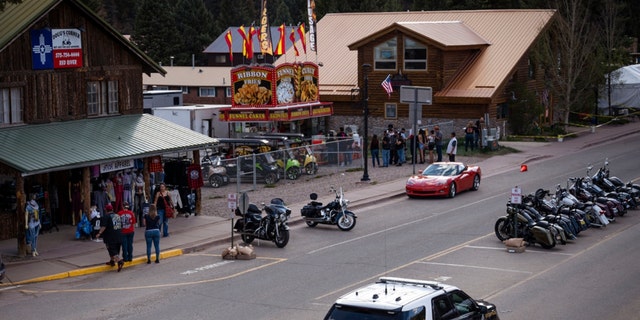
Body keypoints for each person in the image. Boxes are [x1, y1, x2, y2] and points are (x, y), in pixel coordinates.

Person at [96, 203, 124, 272]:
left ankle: (119, 261)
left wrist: (99, 233)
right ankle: (112, 261)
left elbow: (104, 226)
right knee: (116, 250)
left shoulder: (106, 217)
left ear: (106, 210)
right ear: (112, 209)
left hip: (110, 237)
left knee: (112, 250)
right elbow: (121, 225)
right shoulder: (117, 216)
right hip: (119, 235)